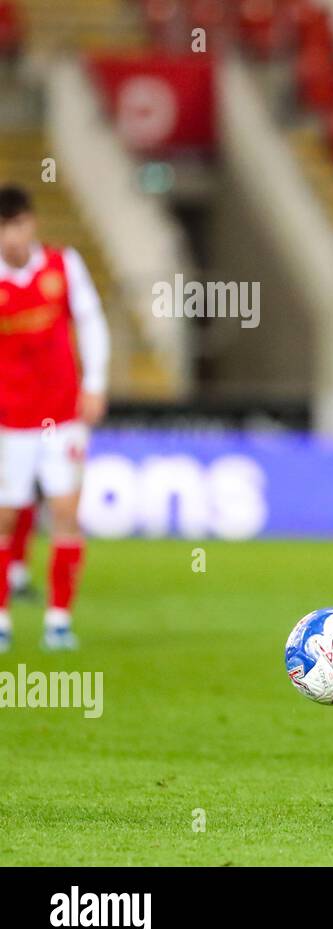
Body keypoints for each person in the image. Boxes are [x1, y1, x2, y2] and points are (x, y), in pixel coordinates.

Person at [0, 184, 109, 652]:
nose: (10, 237)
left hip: (62, 414)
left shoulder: (64, 266)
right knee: (5, 517)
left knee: (65, 513)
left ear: (31, 223)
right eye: (2, 228)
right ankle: (2, 621)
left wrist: (95, 382)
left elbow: (91, 321)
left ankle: (58, 621)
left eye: (16, 225)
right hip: (10, 420)